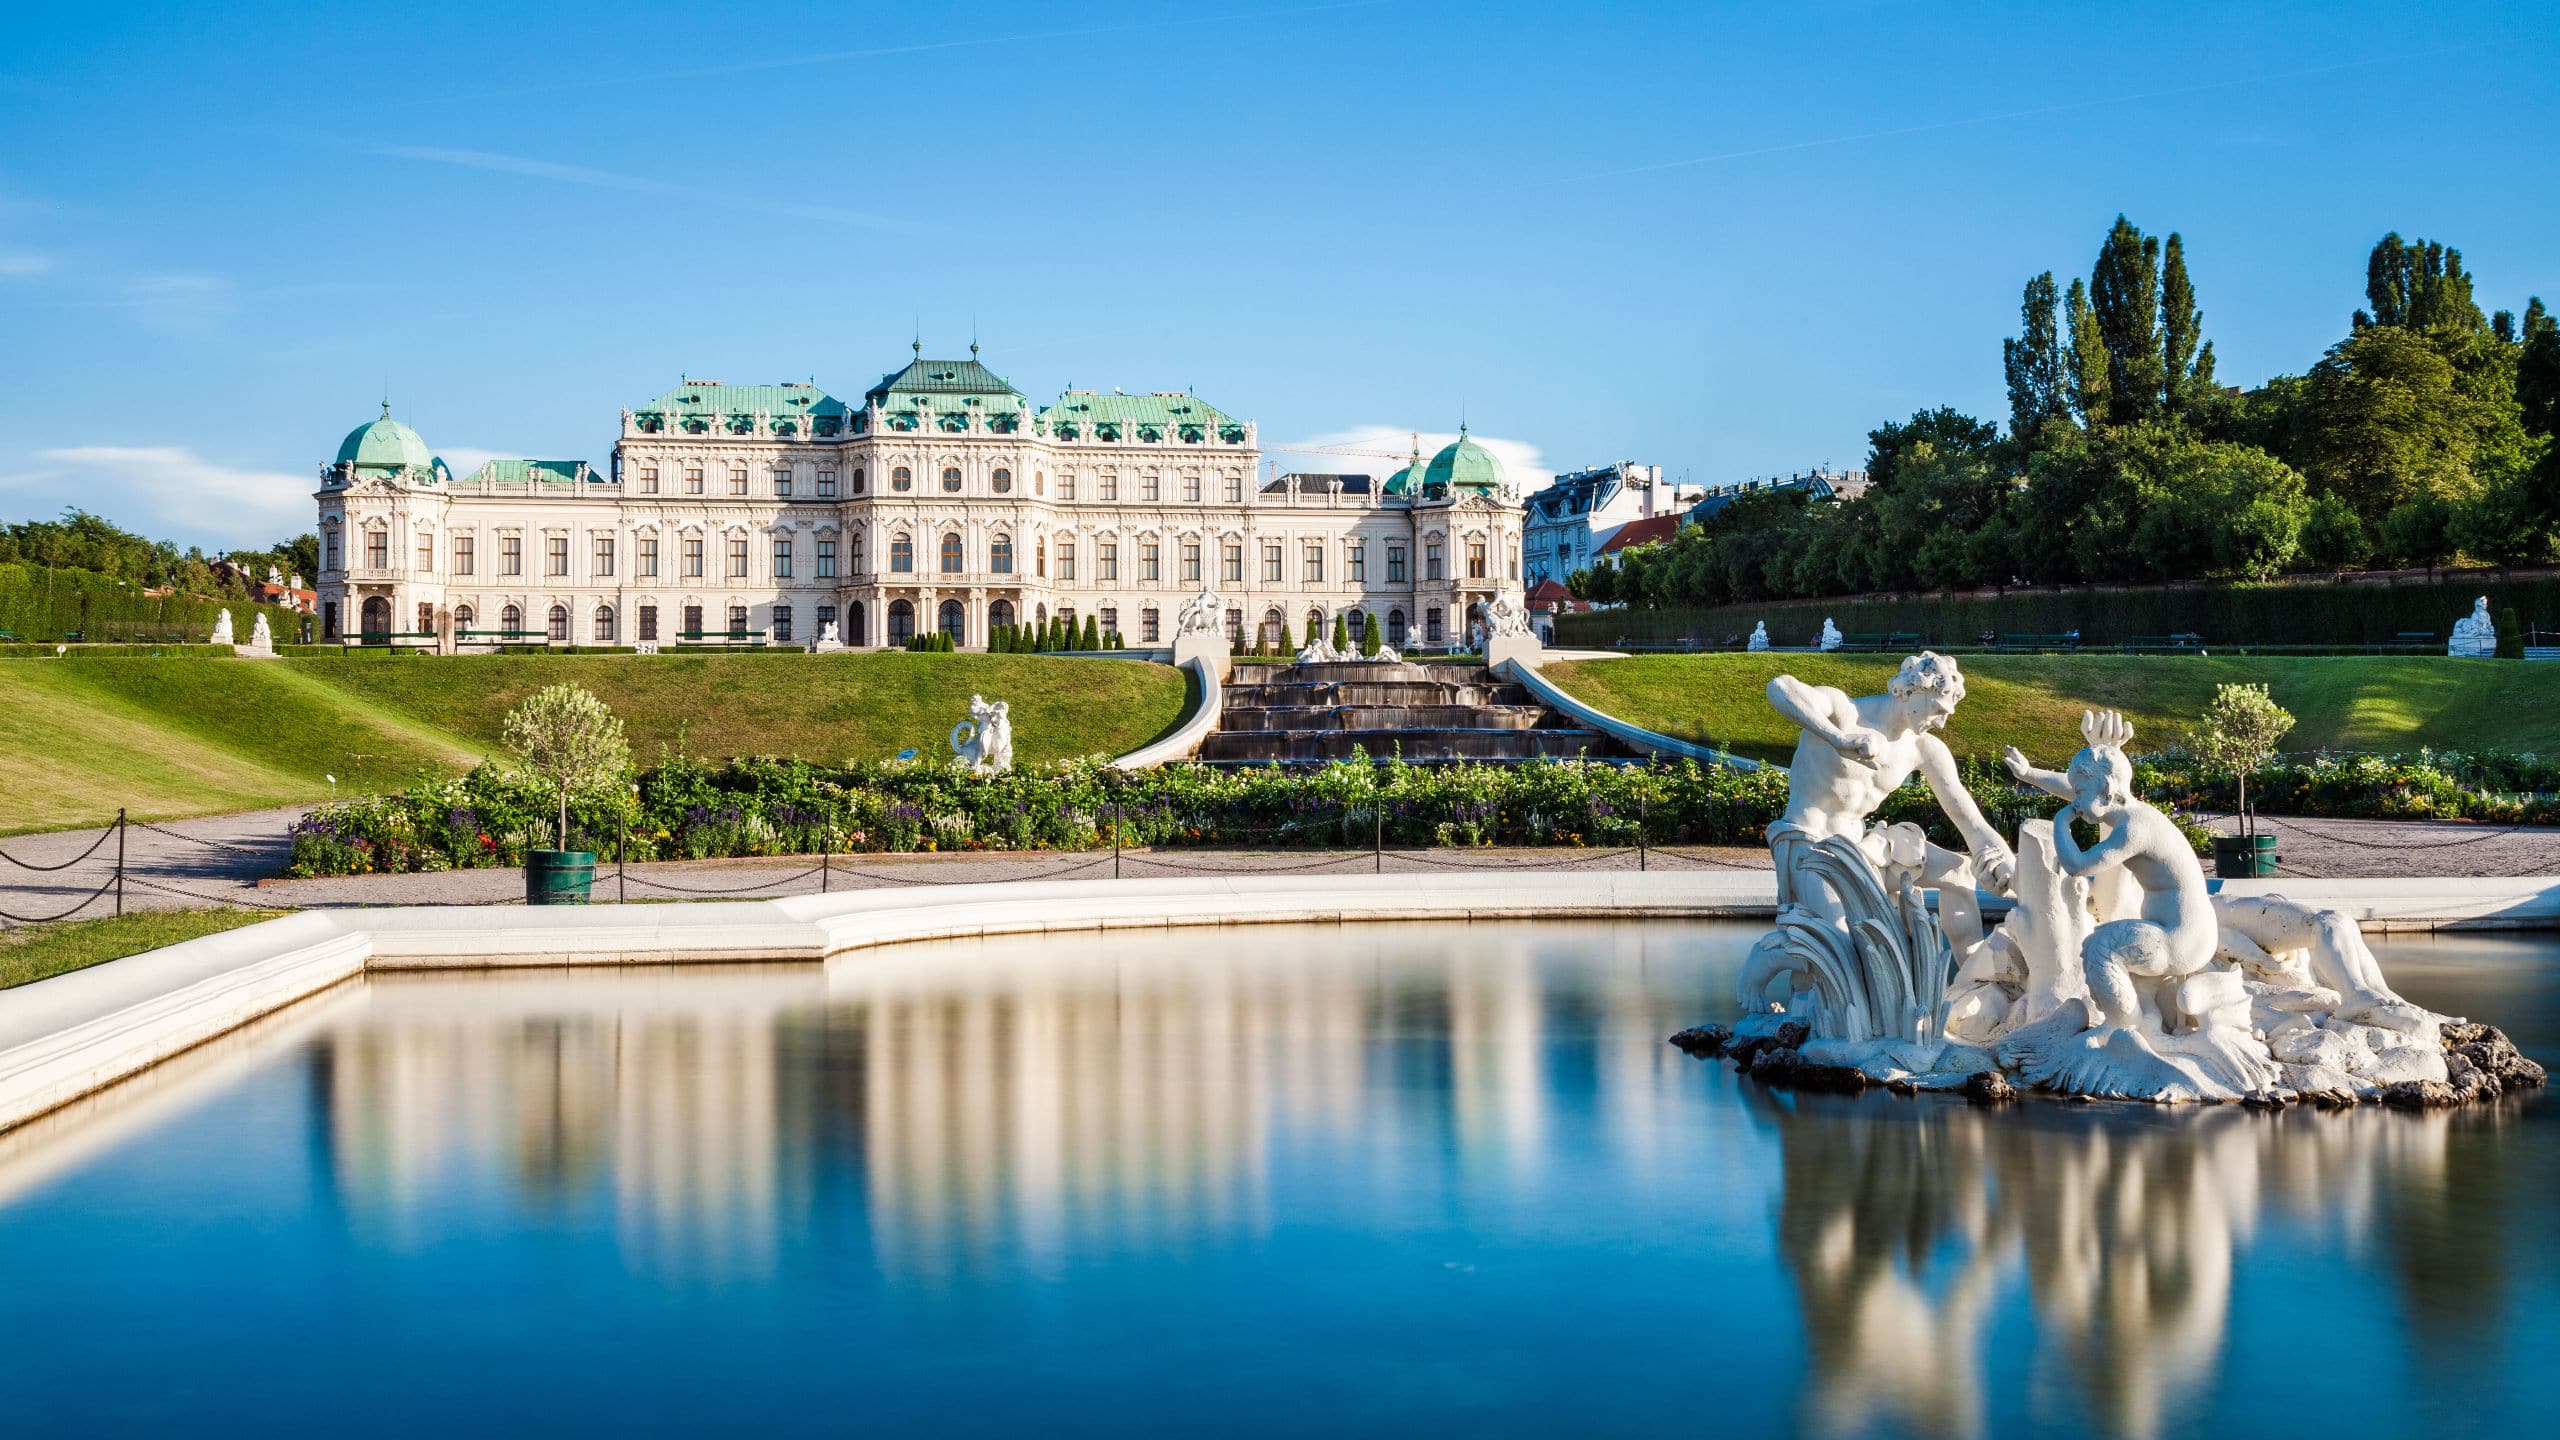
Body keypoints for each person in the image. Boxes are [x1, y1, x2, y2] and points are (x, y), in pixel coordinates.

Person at [2003, 711, 2215, 1028]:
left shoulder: (2134, 830)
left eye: (2079, 794)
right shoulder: (2129, 811)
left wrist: (2061, 822)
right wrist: (2029, 773)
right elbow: (2075, 790)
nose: (2074, 802)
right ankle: (2147, 1020)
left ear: (2105, 788)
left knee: (2101, 946)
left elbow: (2076, 866)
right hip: (2181, 932)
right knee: (2115, 945)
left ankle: (2126, 1028)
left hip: (2180, 939)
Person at [1763, 652, 2016, 897]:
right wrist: (1837, 738)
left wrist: (2006, 870)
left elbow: (1970, 821)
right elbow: (1780, 687)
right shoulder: (1845, 712)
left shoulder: (1924, 748)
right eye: (1938, 710)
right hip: (1809, 844)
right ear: (1914, 690)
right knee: (1842, 933)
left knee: (1959, 873)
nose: (1941, 724)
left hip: (1862, 846)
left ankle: (1968, 943)